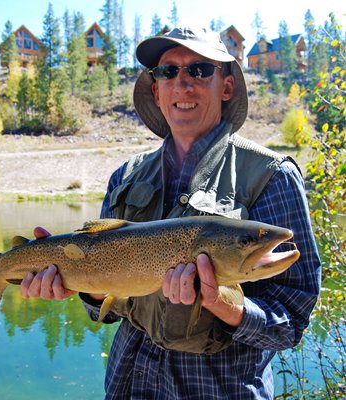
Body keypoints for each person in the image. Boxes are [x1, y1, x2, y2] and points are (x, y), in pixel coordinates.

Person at [20, 27, 321, 399]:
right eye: (167, 72)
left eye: (199, 70)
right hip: (129, 386)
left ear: (226, 87)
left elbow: (291, 321)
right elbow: (108, 310)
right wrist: (80, 286)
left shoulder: (271, 176)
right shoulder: (125, 176)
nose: (182, 83)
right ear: (155, 91)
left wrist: (228, 306)